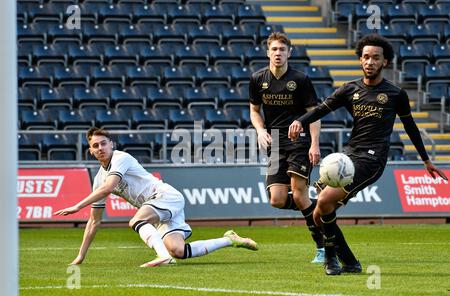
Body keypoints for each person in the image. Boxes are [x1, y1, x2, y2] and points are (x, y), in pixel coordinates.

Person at [288, 34, 448, 275]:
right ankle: (350, 261)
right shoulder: (349, 89)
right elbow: (321, 109)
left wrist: (426, 160)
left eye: (375, 57)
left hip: (372, 160)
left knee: (323, 201)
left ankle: (330, 260)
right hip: (349, 155)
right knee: (320, 215)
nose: (370, 61)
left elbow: (410, 127)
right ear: (360, 60)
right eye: (365, 57)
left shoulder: (395, 94)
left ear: (385, 62)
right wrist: (300, 121)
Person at [54, 127, 258, 267]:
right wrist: (81, 255)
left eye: (103, 143)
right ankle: (229, 240)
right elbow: (93, 222)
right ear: (90, 151)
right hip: (157, 207)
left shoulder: (120, 157)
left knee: (137, 220)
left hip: (165, 196)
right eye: (96, 146)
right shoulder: (98, 178)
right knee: (178, 251)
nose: (100, 148)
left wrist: (77, 206)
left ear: (111, 144)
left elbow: (110, 187)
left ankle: (162, 257)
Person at [249, 32, 325, 263]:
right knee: (277, 200)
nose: (278, 53)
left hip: (298, 139)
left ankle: (322, 248)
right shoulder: (257, 78)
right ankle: (320, 209)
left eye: (282, 49)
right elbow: (254, 110)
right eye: (274, 49)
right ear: (268, 52)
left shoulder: (300, 79)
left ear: (289, 53)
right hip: (274, 141)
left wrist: (314, 144)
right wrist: (260, 130)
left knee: (299, 192)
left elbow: (314, 114)